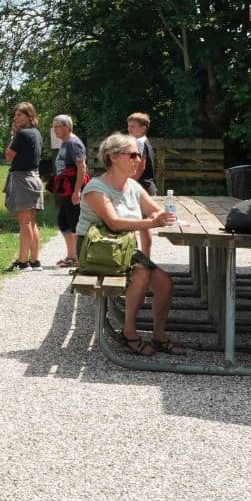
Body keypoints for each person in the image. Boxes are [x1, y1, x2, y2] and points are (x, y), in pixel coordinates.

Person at [79, 131, 185, 355]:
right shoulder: (96, 189)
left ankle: (159, 336)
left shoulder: (133, 186)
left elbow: (157, 211)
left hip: (123, 249)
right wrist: (152, 222)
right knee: (142, 273)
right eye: (133, 155)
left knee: (165, 284)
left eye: (139, 155)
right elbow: (115, 224)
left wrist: (163, 218)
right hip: (96, 250)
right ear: (113, 157)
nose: (139, 160)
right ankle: (129, 332)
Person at [4, 102, 43, 270]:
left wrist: (14, 135)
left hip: (22, 178)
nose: (16, 118)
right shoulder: (36, 134)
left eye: (19, 115)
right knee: (31, 222)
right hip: (35, 177)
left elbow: (8, 156)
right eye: (15, 115)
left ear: (29, 116)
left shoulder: (22, 135)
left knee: (25, 222)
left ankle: (22, 262)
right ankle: (34, 261)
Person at [50, 115, 89, 268]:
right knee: (64, 221)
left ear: (68, 127)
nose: (55, 129)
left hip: (73, 186)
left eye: (58, 126)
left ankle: (78, 258)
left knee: (74, 222)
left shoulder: (73, 143)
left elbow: (82, 167)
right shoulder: (66, 143)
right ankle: (72, 256)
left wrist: (77, 191)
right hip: (67, 187)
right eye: (54, 126)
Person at [126, 111, 159, 255]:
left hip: (141, 187)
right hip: (147, 186)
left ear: (143, 128)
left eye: (133, 126)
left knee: (135, 223)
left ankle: (139, 256)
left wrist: (129, 183)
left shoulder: (138, 143)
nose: (129, 129)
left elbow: (140, 165)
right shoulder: (145, 142)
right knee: (144, 225)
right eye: (129, 126)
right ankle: (145, 256)